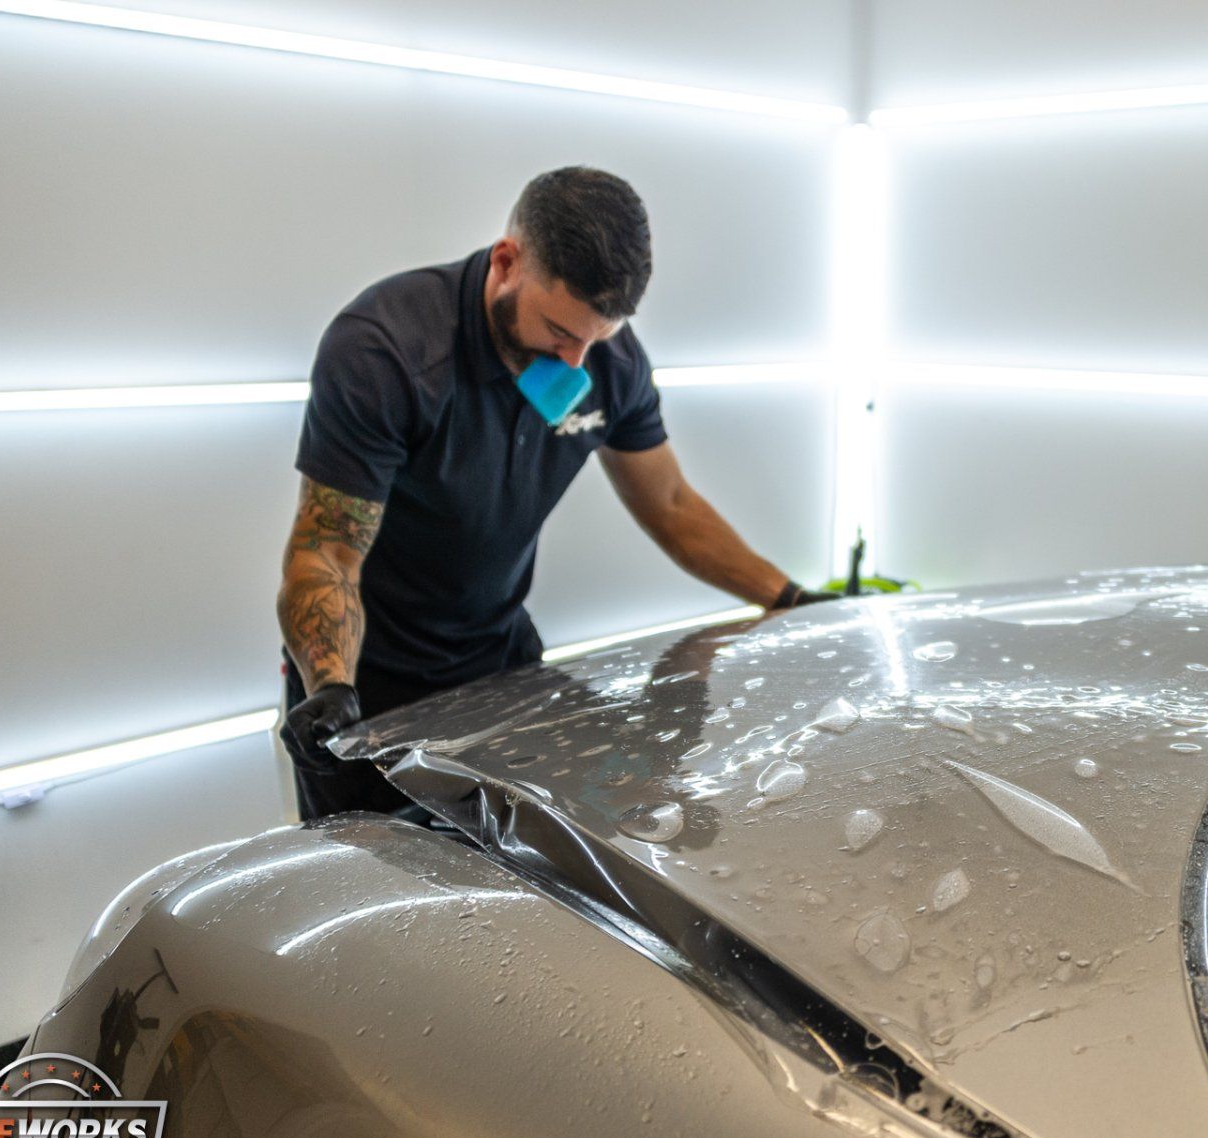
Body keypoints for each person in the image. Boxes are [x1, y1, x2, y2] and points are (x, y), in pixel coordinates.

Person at [277, 166, 832, 819]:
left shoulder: (605, 361)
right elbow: (327, 552)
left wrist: (793, 601)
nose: (576, 363)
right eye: (561, 332)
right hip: (366, 688)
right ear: (507, 262)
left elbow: (672, 505)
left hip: (502, 666)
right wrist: (331, 685)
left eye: (597, 338)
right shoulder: (387, 351)